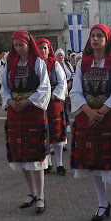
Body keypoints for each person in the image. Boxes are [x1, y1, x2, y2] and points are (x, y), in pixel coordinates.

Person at [70, 24, 111, 221]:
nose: (95, 39)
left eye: (99, 36)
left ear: (107, 40)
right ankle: (102, 202)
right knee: (93, 162)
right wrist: (88, 111)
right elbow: (76, 91)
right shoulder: (82, 63)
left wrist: (102, 111)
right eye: (93, 36)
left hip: (108, 117)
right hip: (87, 119)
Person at [1, 31, 50, 213]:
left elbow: (44, 86)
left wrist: (29, 101)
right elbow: (4, 87)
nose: (18, 48)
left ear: (29, 44)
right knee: (20, 155)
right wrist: (10, 101)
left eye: (21, 44)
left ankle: (41, 195)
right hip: (15, 112)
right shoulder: (10, 63)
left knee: (35, 155)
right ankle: (31, 193)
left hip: (33, 112)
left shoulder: (38, 62)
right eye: (15, 45)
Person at [36, 39, 68, 174]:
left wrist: (54, 95)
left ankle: (60, 163)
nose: (43, 50)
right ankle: (47, 162)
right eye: (40, 48)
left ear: (49, 49)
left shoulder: (55, 64)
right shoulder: (34, 64)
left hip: (53, 102)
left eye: (45, 48)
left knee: (57, 133)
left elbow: (62, 81)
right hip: (39, 103)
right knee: (43, 133)